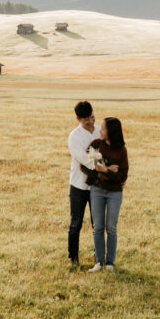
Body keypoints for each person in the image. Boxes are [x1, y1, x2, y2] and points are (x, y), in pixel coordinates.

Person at [85, 116, 129, 272]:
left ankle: (110, 263)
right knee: (98, 227)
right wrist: (109, 170)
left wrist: (104, 170)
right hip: (97, 190)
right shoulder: (96, 145)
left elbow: (122, 177)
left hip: (114, 194)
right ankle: (99, 262)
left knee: (111, 227)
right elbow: (87, 166)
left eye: (103, 128)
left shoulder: (122, 150)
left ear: (111, 131)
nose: (100, 130)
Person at [67, 100, 101, 268]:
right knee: (76, 223)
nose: (91, 121)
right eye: (86, 119)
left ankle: (99, 256)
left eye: (92, 116)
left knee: (98, 223)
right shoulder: (74, 136)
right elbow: (84, 159)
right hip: (78, 185)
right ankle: (73, 257)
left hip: (97, 186)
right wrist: (102, 163)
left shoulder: (101, 131)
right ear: (78, 119)